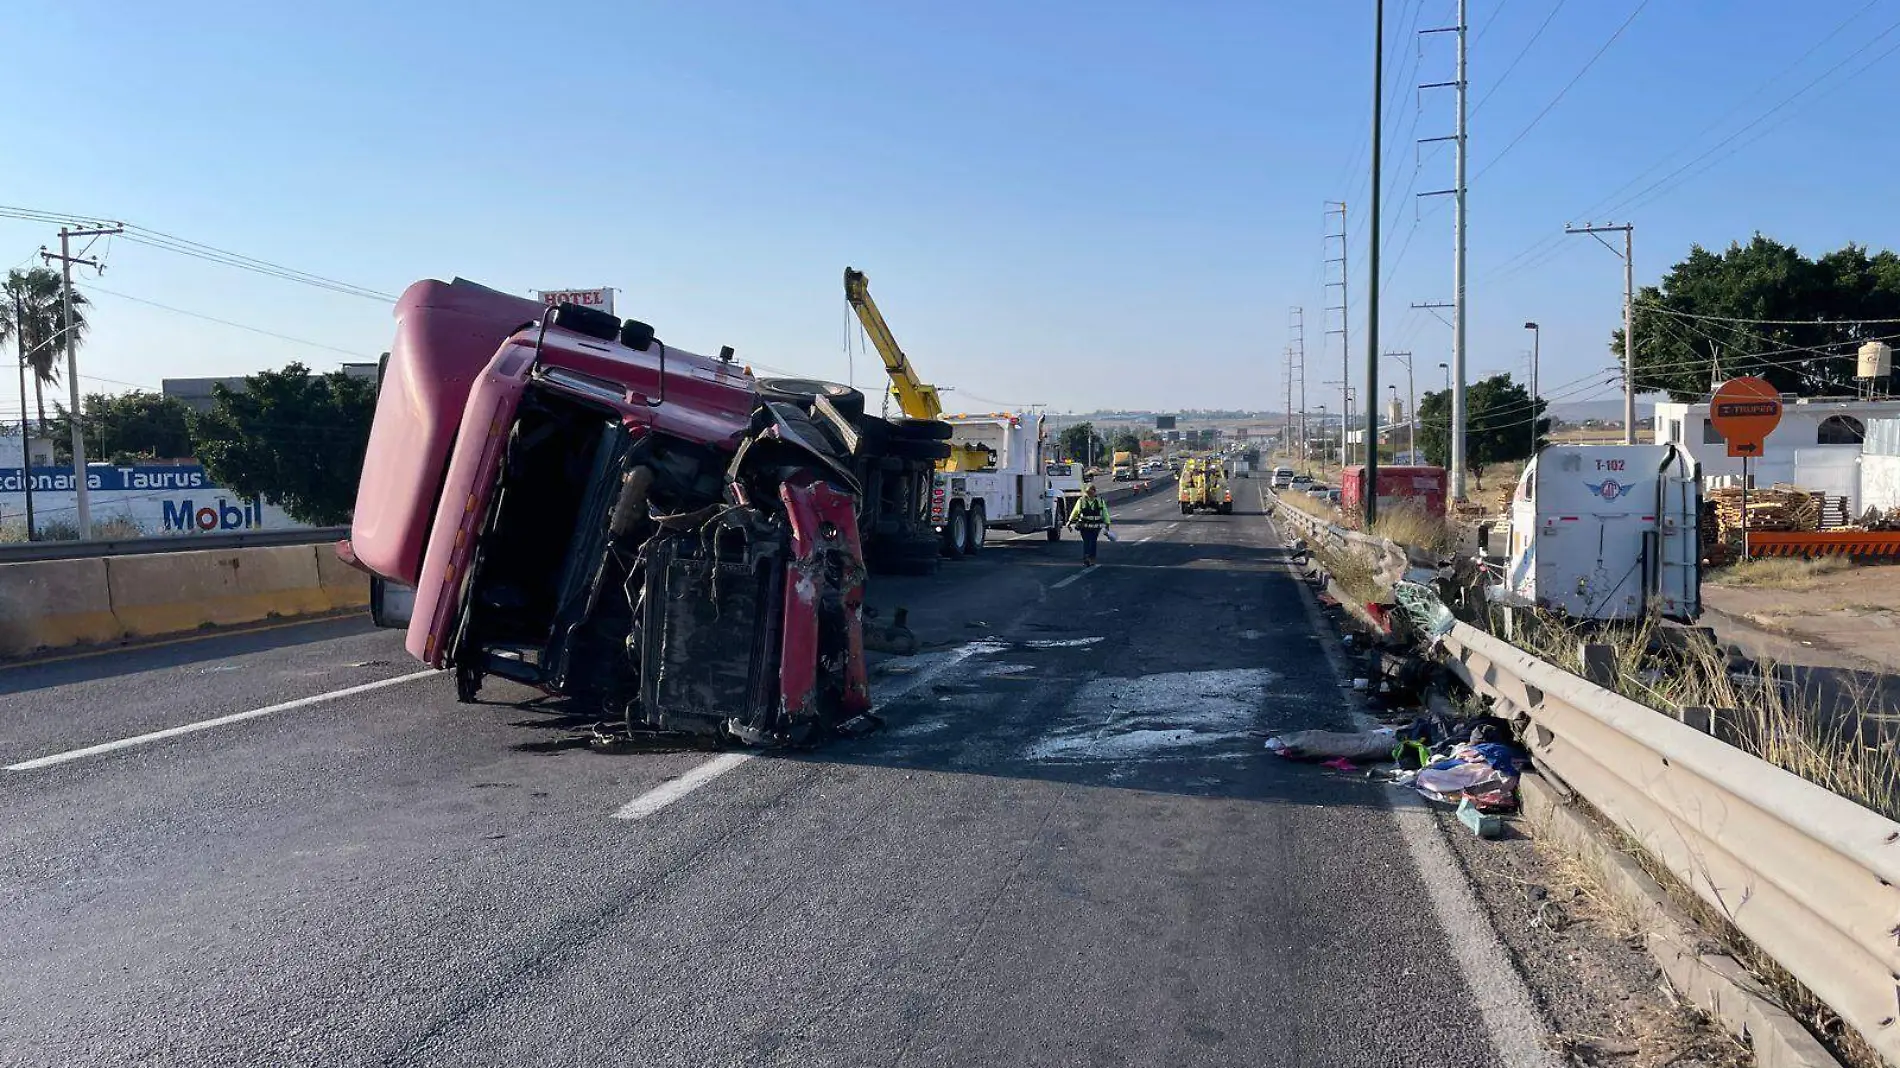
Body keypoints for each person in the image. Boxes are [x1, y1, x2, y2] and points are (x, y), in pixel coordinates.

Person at [1067, 483, 1112, 566]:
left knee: (1093, 542)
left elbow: (1105, 513)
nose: (1089, 494)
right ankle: (1086, 558)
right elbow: (1075, 511)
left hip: (1095, 527)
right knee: (1087, 542)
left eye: (1091, 492)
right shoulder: (1081, 501)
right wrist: (1069, 522)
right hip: (1084, 527)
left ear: (1094, 492)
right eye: (1088, 493)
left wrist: (1107, 524)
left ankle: (1092, 558)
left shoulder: (1099, 501)